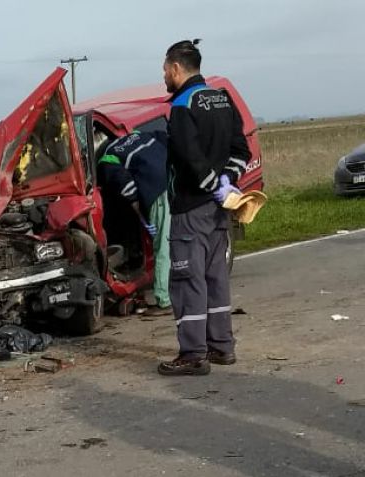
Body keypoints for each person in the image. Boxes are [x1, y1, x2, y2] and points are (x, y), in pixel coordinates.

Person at [158, 39, 250, 376]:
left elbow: (190, 157)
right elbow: (242, 149)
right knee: (216, 277)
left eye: (165, 69)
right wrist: (226, 182)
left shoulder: (183, 105)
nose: (164, 75)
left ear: (177, 68)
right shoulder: (222, 99)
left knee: (187, 279)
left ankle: (194, 353)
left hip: (191, 207)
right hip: (218, 208)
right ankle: (222, 347)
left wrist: (211, 184)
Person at [98, 130, 172, 316]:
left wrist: (141, 215)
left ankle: (164, 301)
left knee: (162, 246)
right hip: (176, 182)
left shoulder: (108, 158)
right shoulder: (139, 134)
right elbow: (166, 139)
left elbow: (126, 186)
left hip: (157, 191)